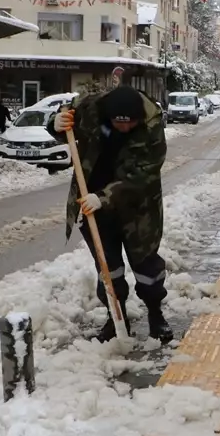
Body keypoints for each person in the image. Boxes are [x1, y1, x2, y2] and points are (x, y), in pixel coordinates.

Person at [49, 85, 173, 344]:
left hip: (139, 210)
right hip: (93, 205)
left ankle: (155, 313)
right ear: (109, 115)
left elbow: (142, 176)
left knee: (146, 266)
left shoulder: (152, 128)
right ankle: (116, 316)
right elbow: (66, 117)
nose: (124, 128)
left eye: (130, 124)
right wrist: (55, 124)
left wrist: (104, 197)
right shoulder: (91, 107)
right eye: (119, 123)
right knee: (108, 267)